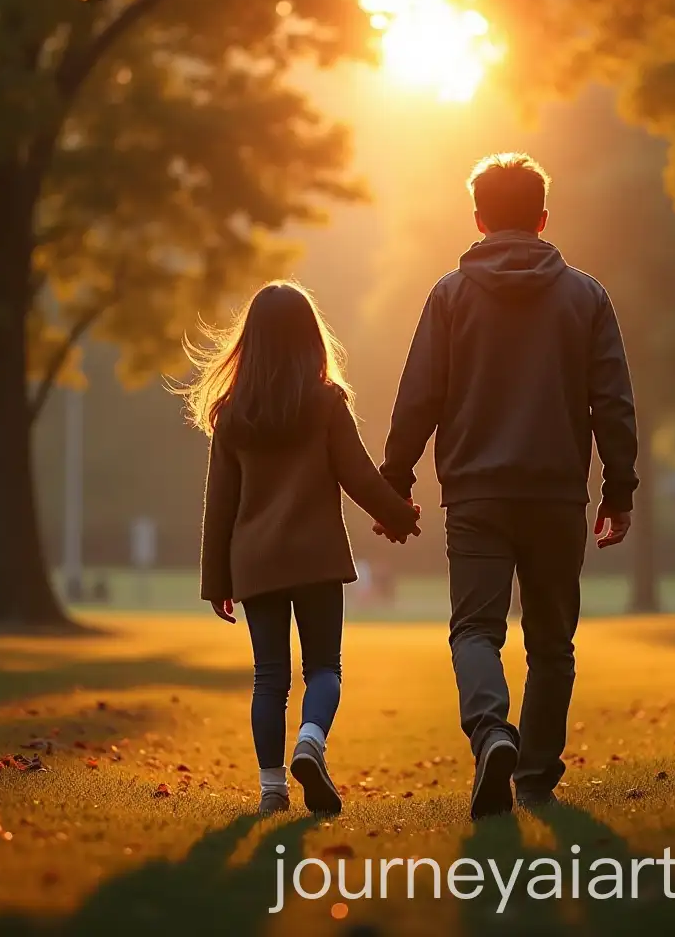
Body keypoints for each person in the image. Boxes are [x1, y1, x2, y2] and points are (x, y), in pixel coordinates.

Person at [377, 153, 638, 819]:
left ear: (479, 219)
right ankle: (535, 777)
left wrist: (395, 481)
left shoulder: (449, 296)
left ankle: (492, 731)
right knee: (552, 641)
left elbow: (418, 398)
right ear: (543, 218)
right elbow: (612, 400)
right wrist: (619, 489)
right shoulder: (587, 296)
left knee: (474, 631)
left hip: (475, 494)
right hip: (555, 494)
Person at [183, 281, 421, 816]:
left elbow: (218, 504)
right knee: (323, 669)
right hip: (315, 559)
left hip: (256, 562)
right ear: (311, 339)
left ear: (252, 341)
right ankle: (310, 740)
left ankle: (271, 788)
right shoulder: (325, 402)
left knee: (269, 676)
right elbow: (357, 473)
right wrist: (400, 517)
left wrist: (215, 581)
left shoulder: (231, 413)